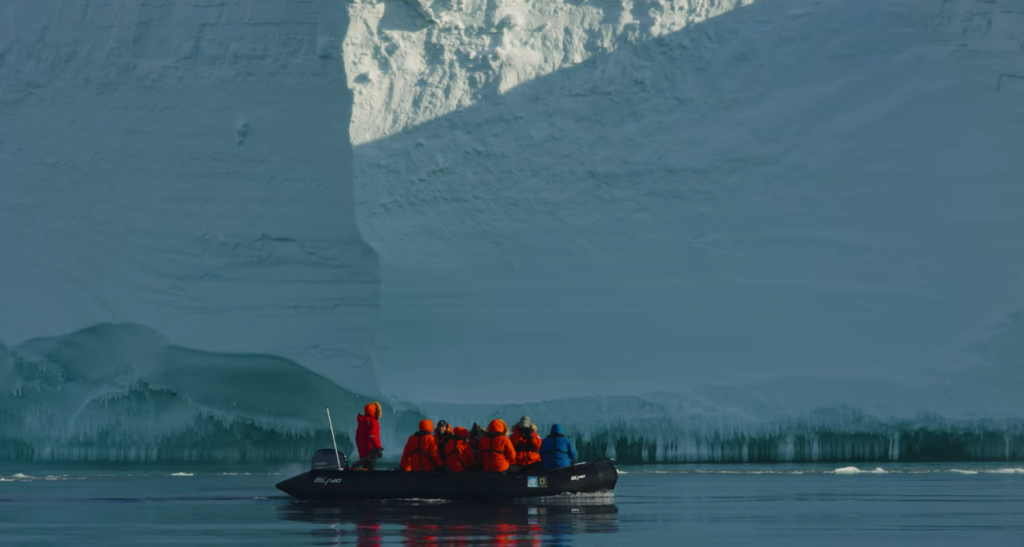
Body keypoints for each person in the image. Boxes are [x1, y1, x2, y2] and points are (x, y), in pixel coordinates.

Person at [353, 401, 383, 471]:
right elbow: (373, 436)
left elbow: (358, 437)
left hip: (363, 452)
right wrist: (378, 448)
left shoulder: (362, 422)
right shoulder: (373, 422)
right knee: (371, 469)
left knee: (366, 468)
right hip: (371, 452)